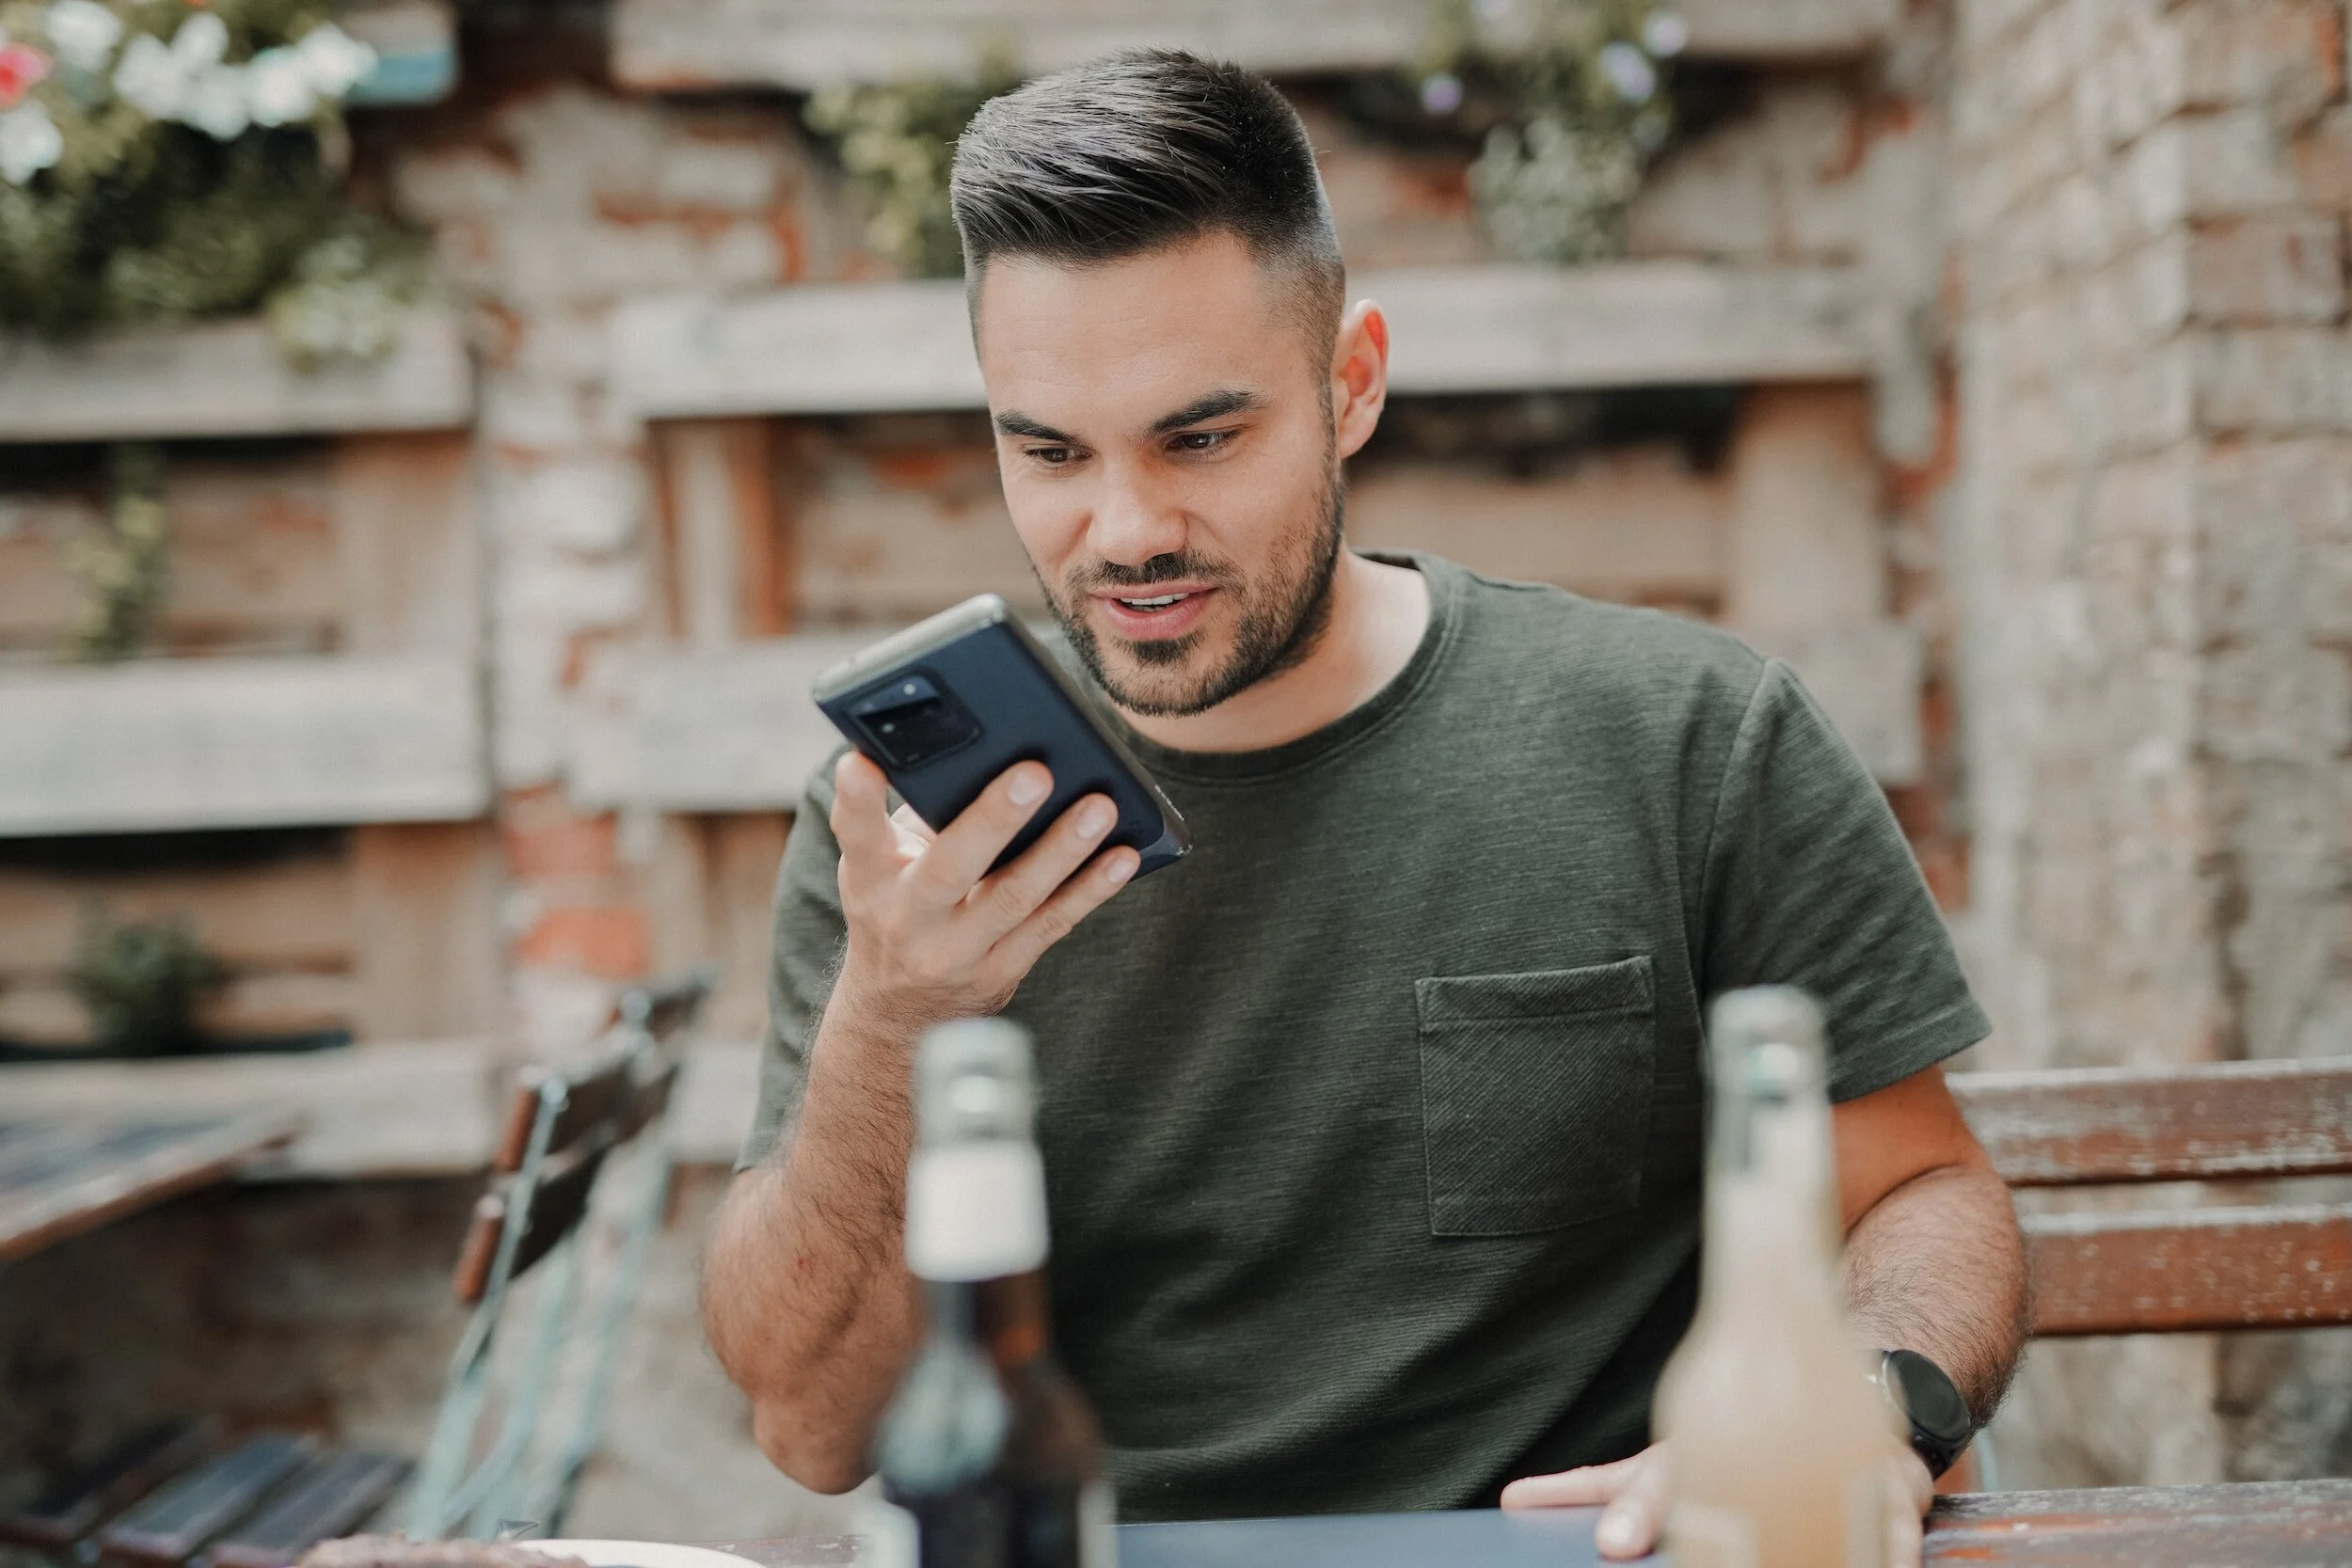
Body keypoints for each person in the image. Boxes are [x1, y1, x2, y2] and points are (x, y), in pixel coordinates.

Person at [703, 48, 2026, 1563]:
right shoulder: (907, 843)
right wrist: (895, 1015)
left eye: (1200, 437)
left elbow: (1927, 1190)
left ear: (1352, 383)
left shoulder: (1687, 739)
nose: (1125, 530)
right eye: (1049, 450)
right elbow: (813, 1429)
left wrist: (1869, 1401)